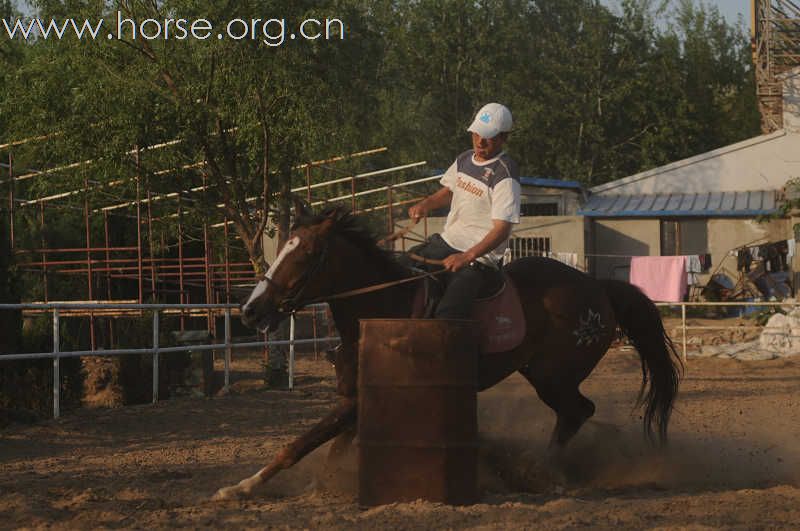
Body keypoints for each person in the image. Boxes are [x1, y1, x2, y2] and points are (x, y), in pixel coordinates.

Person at [403, 102, 521, 319]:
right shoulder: (465, 159)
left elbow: (502, 229)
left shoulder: (505, 173)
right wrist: (425, 205)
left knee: (449, 315)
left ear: (504, 138)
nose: (479, 141)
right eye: (476, 133)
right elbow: (449, 190)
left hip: (479, 259)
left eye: (488, 136)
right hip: (447, 240)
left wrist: (467, 257)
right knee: (400, 269)